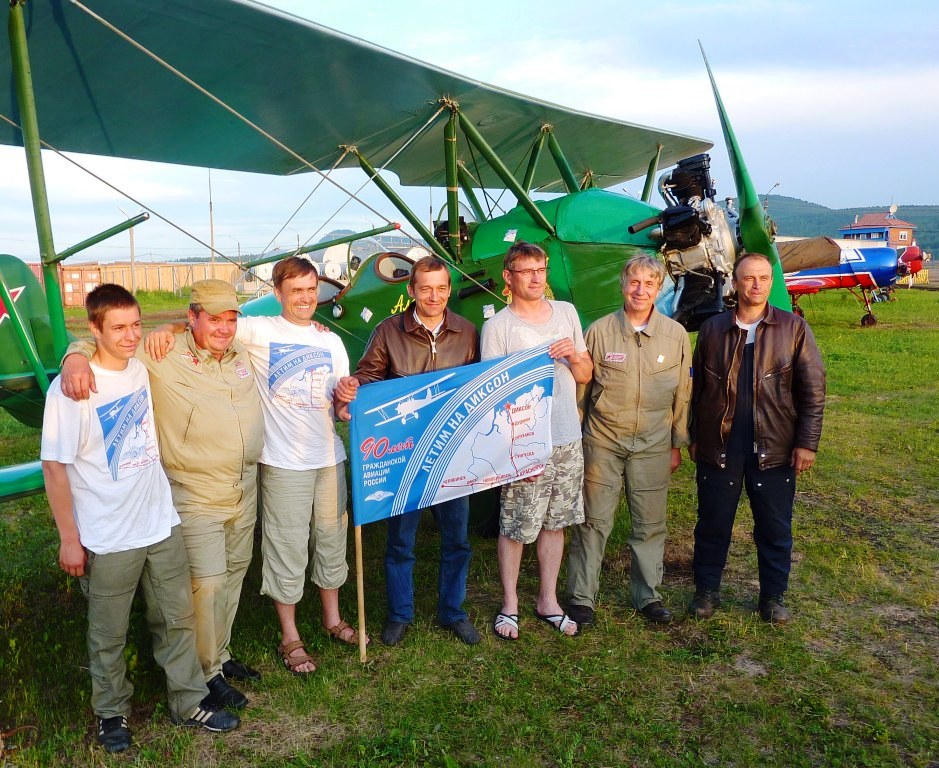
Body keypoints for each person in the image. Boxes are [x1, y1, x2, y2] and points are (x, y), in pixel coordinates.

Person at [41, 284, 239, 753]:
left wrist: (162, 328)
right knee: (108, 632)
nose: (130, 336)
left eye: (135, 325)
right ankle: (112, 713)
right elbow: (54, 467)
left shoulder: (139, 367)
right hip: (109, 533)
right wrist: (69, 539)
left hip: (159, 520)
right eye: (118, 328)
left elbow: (177, 329)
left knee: (176, 617)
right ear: (94, 329)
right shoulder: (73, 387)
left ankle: (188, 700)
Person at [147, 257, 364, 674]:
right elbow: (210, 325)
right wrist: (166, 329)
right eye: (295, 290)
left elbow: (338, 409)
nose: (305, 298)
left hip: (328, 457)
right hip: (283, 462)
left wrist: (345, 399)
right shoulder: (258, 330)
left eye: (311, 289)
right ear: (278, 293)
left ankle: (333, 619)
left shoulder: (332, 342)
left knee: (331, 539)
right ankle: (290, 635)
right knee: (286, 545)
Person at [333, 256, 481, 647]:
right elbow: (368, 376)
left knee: (457, 539)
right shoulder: (387, 331)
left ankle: (453, 611)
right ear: (411, 290)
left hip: (451, 451)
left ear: (449, 290)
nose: (434, 296)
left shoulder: (467, 332)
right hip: (405, 453)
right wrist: (352, 389)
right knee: (401, 541)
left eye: (441, 288)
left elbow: (479, 382)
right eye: (426, 288)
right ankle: (400, 613)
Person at [689, 252, 826, 624]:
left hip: (774, 444)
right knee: (713, 522)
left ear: (771, 281)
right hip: (721, 443)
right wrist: (695, 436)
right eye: (748, 278)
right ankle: (706, 591)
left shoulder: (793, 328)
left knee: (774, 526)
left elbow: (813, 391)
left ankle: (772, 597)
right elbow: (697, 390)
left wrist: (806, 442)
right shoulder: (713, 329)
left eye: (764, 278)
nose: (756, 285)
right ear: (735, 282)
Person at [566, 255, 691, 627]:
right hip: (602, 442)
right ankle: (582, 598)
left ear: (658, 289)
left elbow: (683, 394)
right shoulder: (599, 332)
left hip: (653, 444)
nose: (640, 290)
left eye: (649, 284)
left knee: (650, 524)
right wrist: (578, 440)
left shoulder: (676, 335)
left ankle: (647, 595)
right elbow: (581, 393)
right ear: (622, 285)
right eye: (634, 282)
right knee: (593, 521)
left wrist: (676, 444)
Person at [480, 241, 593, 640]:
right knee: (515, 524)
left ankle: (548, 600)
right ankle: (509, 603)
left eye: (540, 270)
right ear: (508, 277)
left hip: (566, 435)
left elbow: (585, 374)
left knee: (556, 521)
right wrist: (513, 453)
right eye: (526, 271)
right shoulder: (498, 327)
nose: (535, 278)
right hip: (524, 443)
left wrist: (573, 357)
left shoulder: (566, 312)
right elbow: (493, 395)